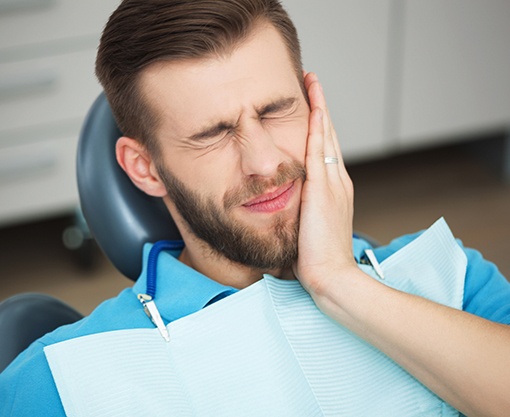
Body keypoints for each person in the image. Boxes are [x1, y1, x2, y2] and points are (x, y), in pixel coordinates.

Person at [1, 0, 509, 415]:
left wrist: (339, 282)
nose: (264, 163)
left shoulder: (449, 278)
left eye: (276, 109)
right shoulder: (64, 379)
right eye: (213, 134)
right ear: (145, 168)